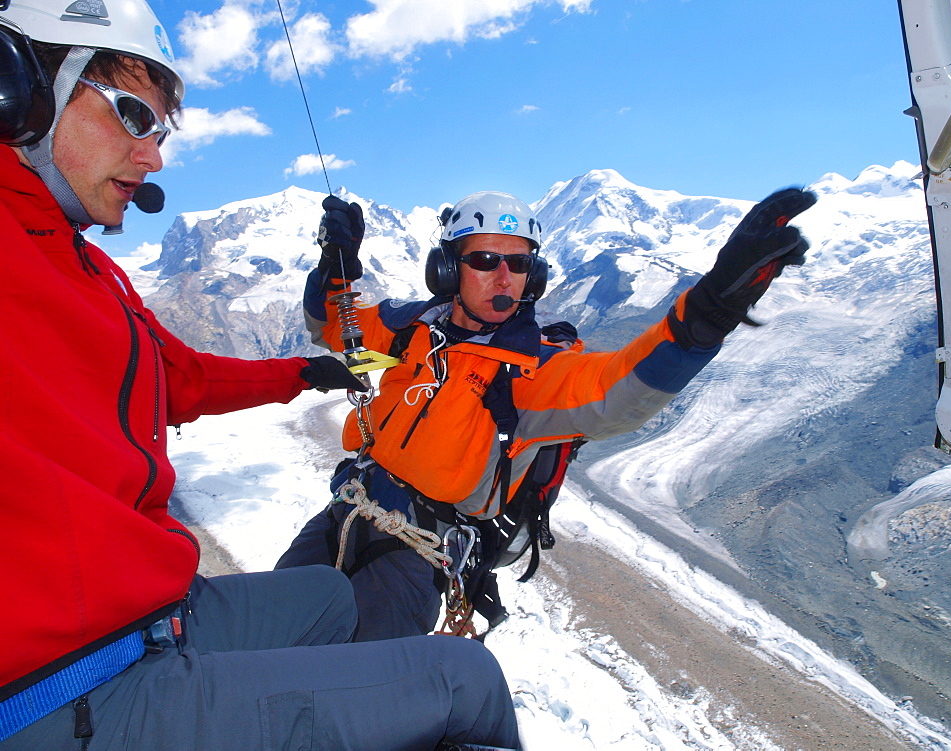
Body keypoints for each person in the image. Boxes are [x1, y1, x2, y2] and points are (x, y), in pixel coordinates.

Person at [0, 2, 520, 749]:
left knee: (331, 596)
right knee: (467, 685)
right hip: (70, 683)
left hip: (144, 612)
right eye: (131, 116)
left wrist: (307, 372)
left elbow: (176, 379)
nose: (153, 158)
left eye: (160, 130)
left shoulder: (91, 270)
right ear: (18, 87)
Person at [277, 186, 817, 642]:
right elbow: (332, 326)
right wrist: (335, 263)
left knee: (345, 689)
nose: (504, 277)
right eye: (485, 261)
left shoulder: (535, 369)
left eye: (519, 264)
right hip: (346, 512)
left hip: (417, 557)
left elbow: (616, 391)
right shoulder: (410, 328)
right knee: (259, 632)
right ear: (447, 269)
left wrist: (706, 315)